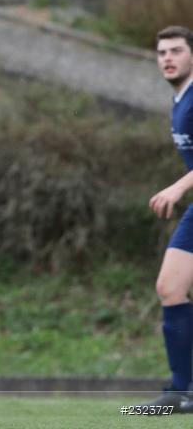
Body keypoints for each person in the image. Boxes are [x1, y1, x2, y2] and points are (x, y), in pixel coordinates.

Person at [133, 26, 193, 412]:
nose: (167, 58)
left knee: (171, 287)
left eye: (176, 51)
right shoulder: (179, 100)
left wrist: (177, 188)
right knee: (171, 288)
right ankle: (181, 389)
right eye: (161, 53)